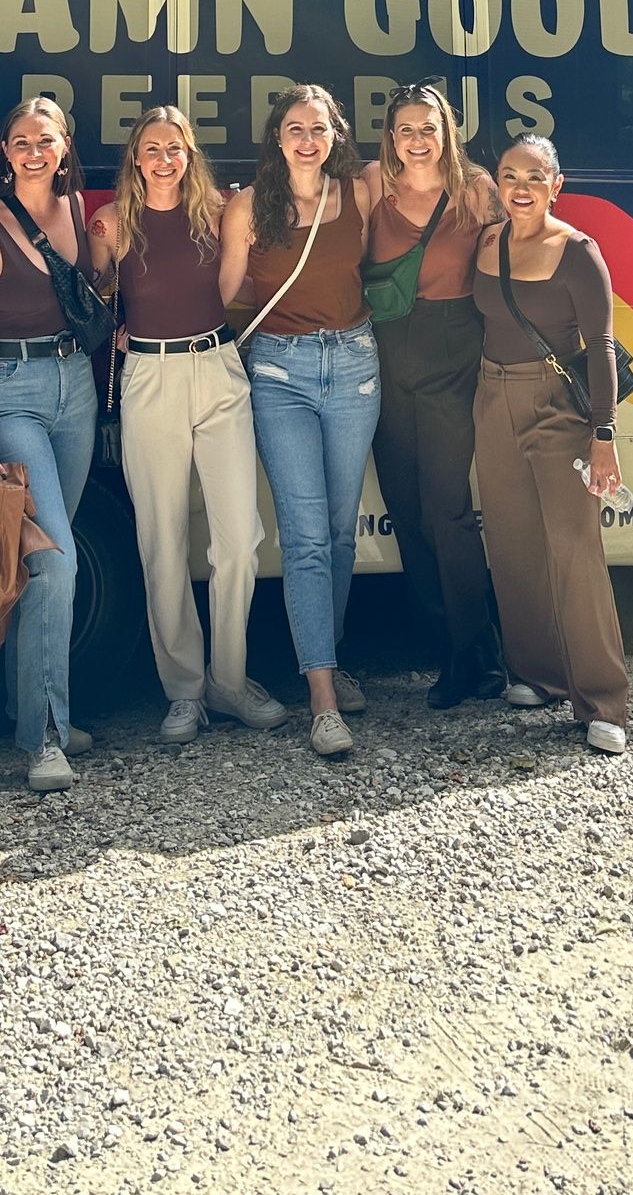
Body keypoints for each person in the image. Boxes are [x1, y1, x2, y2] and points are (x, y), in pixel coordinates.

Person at [89, 107, 286, 745]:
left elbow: (229, 286)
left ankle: (229, 680)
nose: (164, 159)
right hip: (151, 375)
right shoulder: (116, 224)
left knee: (238, 538)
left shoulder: (218, 213)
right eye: (152, 149)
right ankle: (184, 689)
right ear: (135, 159)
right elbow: (95, 299)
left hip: (219, 366)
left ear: (189, 154)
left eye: (175, 148)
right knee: (161, 537)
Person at [217, 84, 377, 760]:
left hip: (355, 367)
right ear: (276, 139)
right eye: (294, 129)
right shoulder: (250, 207)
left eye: (319, 128)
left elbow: (441, 173)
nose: (307, 140)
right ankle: (321, 700)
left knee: (341, 533)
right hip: (279, 373)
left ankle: (328, 656)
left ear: (336, 135)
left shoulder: (361, 195)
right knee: (307, 537)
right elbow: (226, 296)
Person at [0, 97, 100, 793]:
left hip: (76, 386)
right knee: (57, 562)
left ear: (65, 147)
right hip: (11, 393)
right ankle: (44, 739)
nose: (34, 151)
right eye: (20, 142)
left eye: (46, 140)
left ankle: (31, 706)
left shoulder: (76, 212)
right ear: (4, 153)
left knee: (39, 564)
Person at [472, 136, 632, 755]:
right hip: (491, 398)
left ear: (556, 185)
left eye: (534, 177)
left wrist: (603, 435)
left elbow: (601, 350)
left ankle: (602, 699)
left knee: (572, 547)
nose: (520, 188)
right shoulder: (488, 242)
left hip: (557, 410)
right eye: (510, 175)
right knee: (511, 542)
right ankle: (537, 674)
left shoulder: (578, 253)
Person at [362, 83, 511, 708]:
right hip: (387, 350)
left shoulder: (475, 189)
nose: (417, 141)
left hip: (454, 349)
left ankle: (481, 656)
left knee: (446, 509)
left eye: (429, 129)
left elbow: (517, 253)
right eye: (406, 130)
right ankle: (447, 653)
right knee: (405, 506)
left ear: (447, 132)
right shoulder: (373, 183)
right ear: (390, 137)